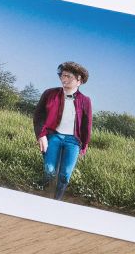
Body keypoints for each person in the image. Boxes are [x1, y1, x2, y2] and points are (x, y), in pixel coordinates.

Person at [32, 61, 92, 200]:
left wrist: (85, 145)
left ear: (79, 80)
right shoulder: (49, 93)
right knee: (50, 170)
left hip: (73, 141)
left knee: (65, 175)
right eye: (62, 76)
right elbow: (38, 115)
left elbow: (86, 124)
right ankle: (44, 186)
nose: (64, 79)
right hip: (54, 136)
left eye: (68, 76)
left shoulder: (85, 101)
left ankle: (57, 200)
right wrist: (41, 135)